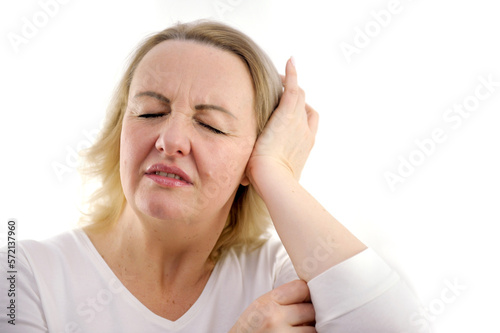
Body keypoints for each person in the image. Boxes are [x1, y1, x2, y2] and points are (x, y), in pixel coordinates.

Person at [0, 20, 426, 332]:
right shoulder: (21, 274)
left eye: (212, 126)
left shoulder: (284, 274)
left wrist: (275, 175)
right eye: (150, 112)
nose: (171, 140)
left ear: (254, 156)